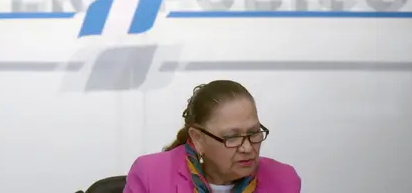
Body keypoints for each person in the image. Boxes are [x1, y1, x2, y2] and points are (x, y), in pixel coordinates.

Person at [123, 80, 301, 193]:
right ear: (198, 139)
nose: (247, 148)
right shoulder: (150, 176)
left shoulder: (284, 181)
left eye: (253, 133)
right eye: (231, 137)